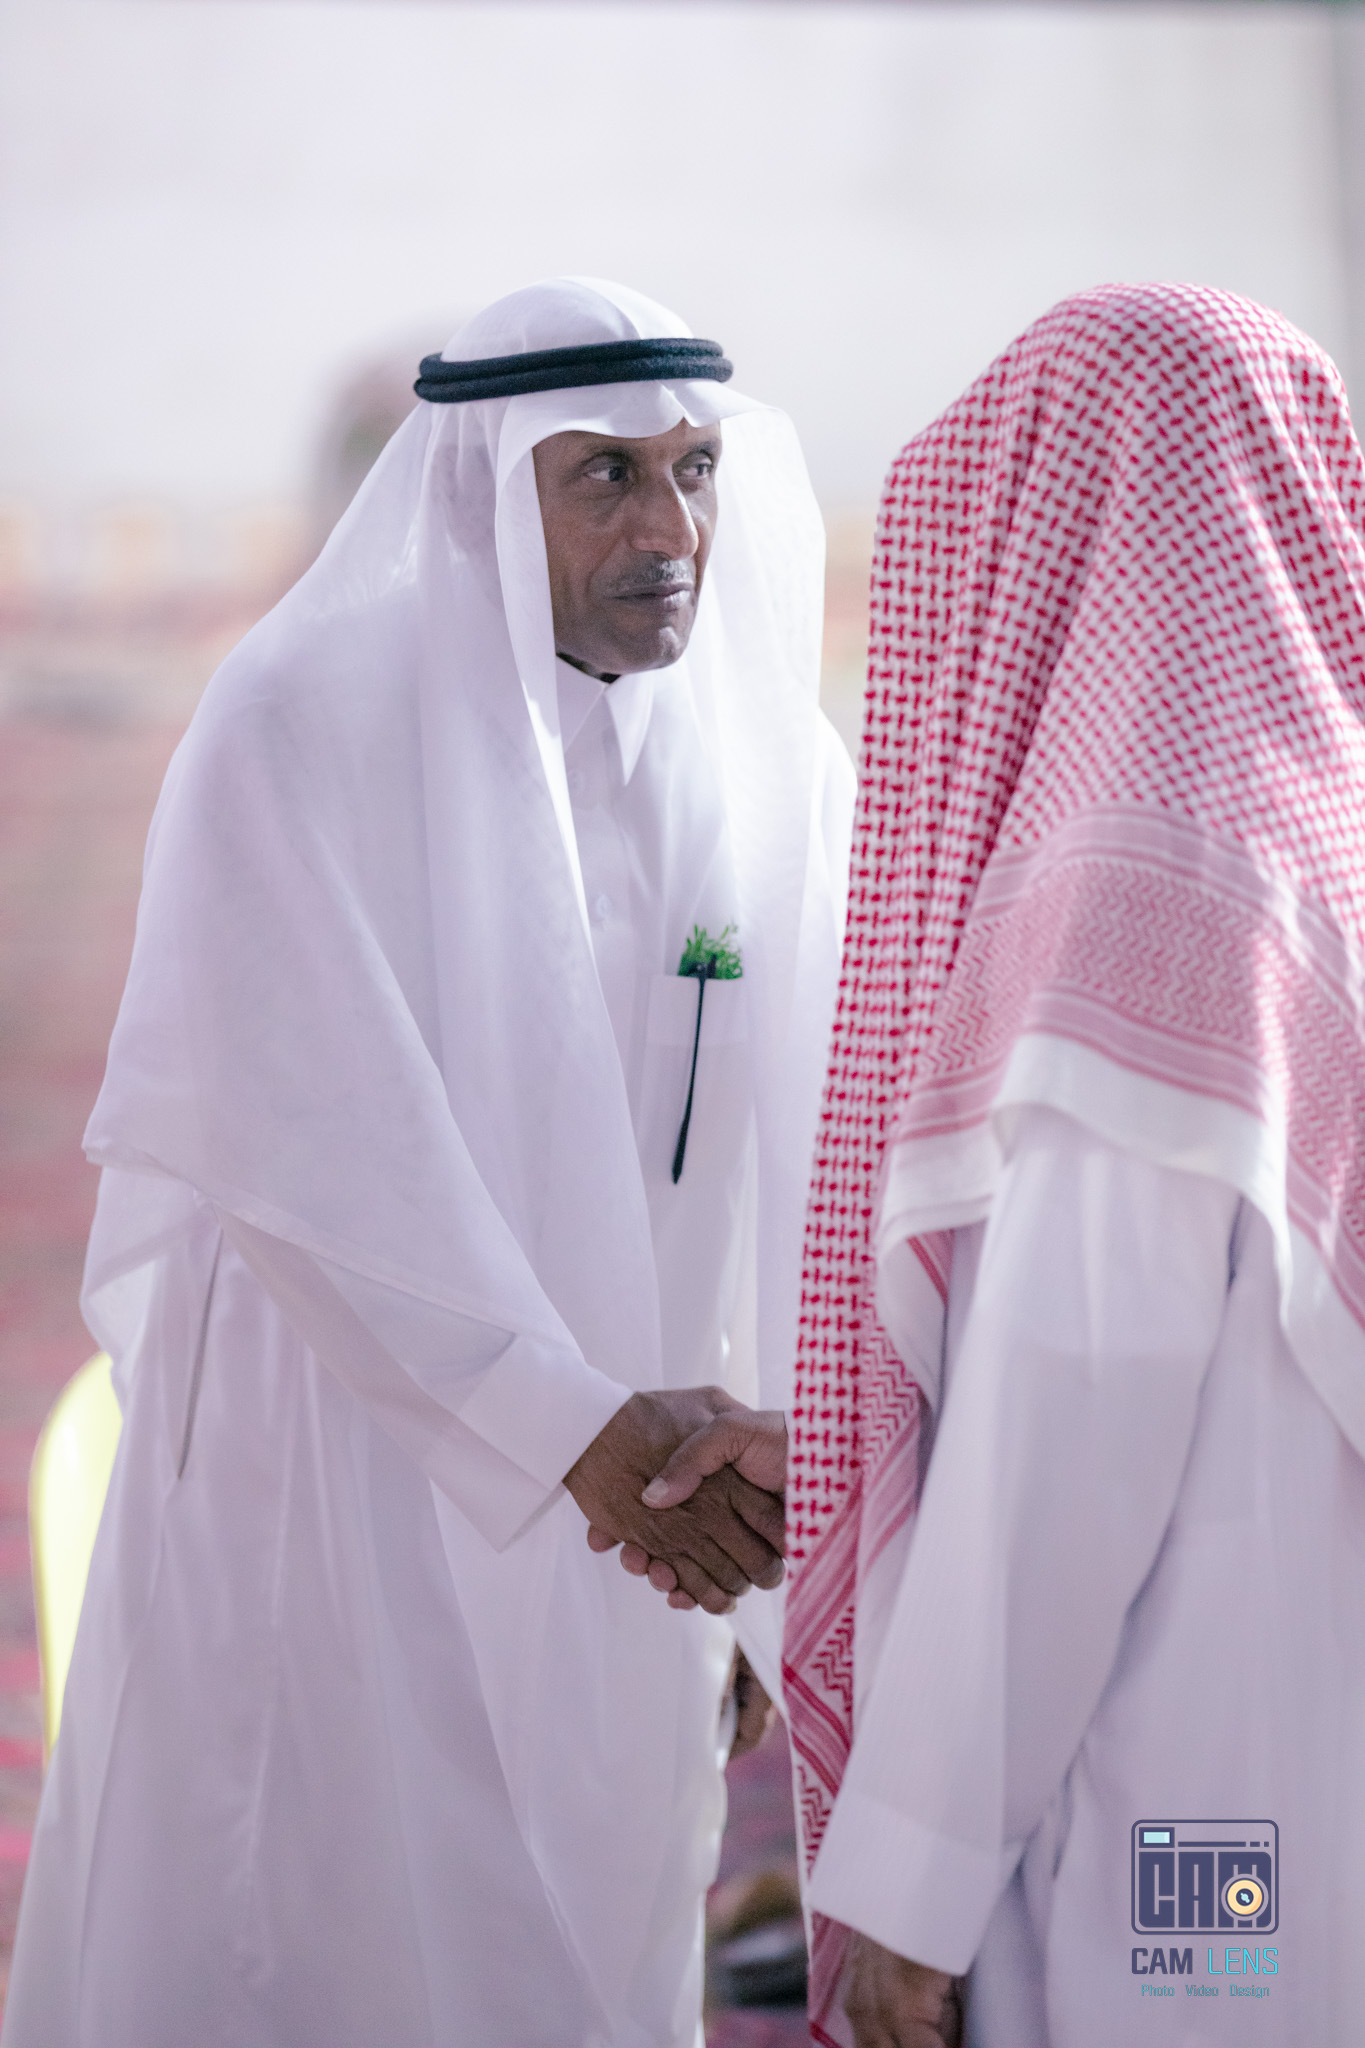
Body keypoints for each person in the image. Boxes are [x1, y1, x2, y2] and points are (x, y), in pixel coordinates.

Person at [3, 278, 853, 2048]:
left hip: (644, 1507)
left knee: (583, 1939)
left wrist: (753, 1544)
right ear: (476, 492)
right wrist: (569, 1431)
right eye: (603, 477)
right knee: (327, 1926)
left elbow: (797, 1145)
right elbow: (299, 1140)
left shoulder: (739, 753)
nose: (670, 531)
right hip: (347, 1471)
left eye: (692, 471)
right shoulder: (300, 722)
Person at [652, 284, 1365, 2046]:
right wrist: (851, 1453)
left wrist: (909, 1889)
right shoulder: (1320, 831)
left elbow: (1075, 1427)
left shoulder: (1141, 906)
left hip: (1189, 1815)